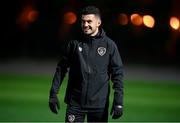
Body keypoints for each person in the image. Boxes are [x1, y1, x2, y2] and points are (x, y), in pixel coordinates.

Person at [49, 5, 124, 122]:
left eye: (89, 21)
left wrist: (118, 102)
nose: (85, 25)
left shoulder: (109, 45)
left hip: (99, 105)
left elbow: (117, 74)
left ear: (98, 23)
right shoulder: (73, 44)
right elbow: (61, 69)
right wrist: (53, 94)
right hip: (75, 103)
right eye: (83, 21)